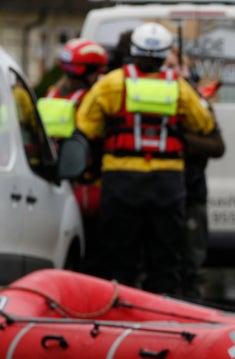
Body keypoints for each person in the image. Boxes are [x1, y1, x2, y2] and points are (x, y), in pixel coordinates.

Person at [75, 22, 216, 295]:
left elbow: (86, 126)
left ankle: (118, 308)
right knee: (164, 257)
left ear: (134, 51)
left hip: (120, 180)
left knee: (119, 255)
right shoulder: (179, 87)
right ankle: (160, 312)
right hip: (168, 182)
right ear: (165, 55)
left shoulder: (112, 84)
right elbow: (203, 124)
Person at [37, 38, 109, 276]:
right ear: (89, 72)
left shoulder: (51, 96)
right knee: (96, 255)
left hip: (56, 186)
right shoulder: (91, 100)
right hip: (90, 188)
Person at [164, 48, 225, 299]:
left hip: (191, 195)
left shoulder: (196, 101)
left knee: (192, 263)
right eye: (165, 65)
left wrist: (182, 141)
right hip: (159, 196)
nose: (172, 72)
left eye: (176, 66)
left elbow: (217, 146)